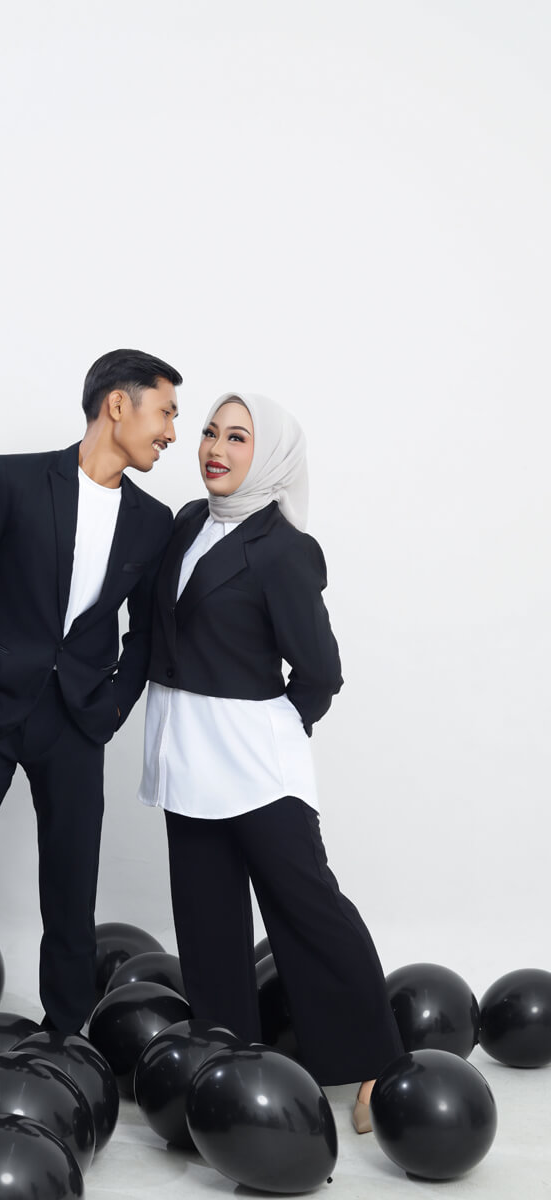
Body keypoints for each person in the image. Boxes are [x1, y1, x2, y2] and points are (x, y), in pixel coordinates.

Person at [0, 348, 182, 1044]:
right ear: (118, 404)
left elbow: (145, 632)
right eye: (166, 411)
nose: (172, 432)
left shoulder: (153, 521)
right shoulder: (12, 480)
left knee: (72, 888)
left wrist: (112, 707)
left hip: (76, 719)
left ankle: (66, 1040)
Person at [139, 391, 403, 1133]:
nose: (214, 449)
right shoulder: (187, 523)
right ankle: (230, 1069)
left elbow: (320, 672)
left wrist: (279, 724)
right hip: (184, 756)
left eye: (237, 437)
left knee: (308, 910)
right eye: (209, 433)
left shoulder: (285, 549)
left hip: (254, 761)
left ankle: (378, 1062)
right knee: (207, 924)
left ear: (271, 457)